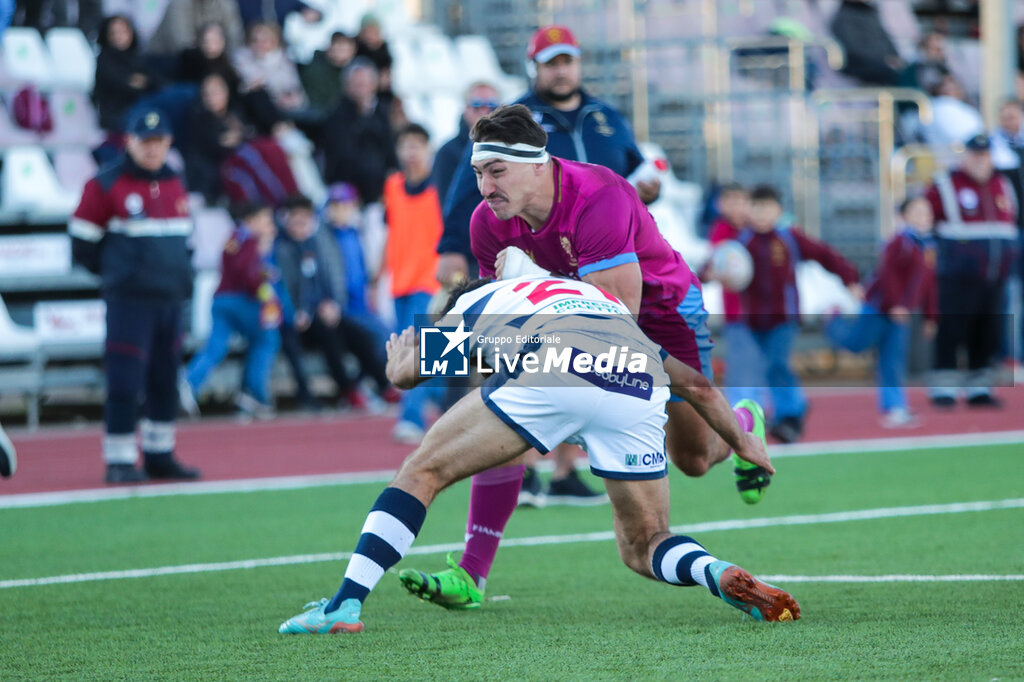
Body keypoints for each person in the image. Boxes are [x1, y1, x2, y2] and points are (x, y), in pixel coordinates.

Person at [398, 105, 771, 609]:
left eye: (496, 172)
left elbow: (618, 325)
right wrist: (426, 360)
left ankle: (743, 424)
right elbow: (496, 321)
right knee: (498, 394)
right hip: (577, 322)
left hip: (658, 313)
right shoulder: (488, 223)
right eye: (478, 173)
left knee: (696, 459)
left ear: (536, 163)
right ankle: (472, 572)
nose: (484, 188)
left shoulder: (600, 196)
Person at [278, 275, 800, 634]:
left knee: (421, 471)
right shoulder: (586, 296)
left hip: (553, 365)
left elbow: (408, 374)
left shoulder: (472, 304)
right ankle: (717, 572)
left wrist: (398, 360)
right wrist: (744, 442)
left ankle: (343, 603)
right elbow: (698, 387)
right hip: (634, 374)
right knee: (645, 543)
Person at [438, 26, 660, 505]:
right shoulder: (516, 119)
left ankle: (561, 471)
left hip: (611, 251)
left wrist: (647, 188)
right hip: (540, 254)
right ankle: (515, 463)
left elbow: (639, 167)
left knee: (591, 363)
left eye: (568, 60)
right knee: (531, 351)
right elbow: (469, 181)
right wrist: (450, 244)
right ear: (534, 67)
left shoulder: (605, 116)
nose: (561, 70)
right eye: (551, 61)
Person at [69, 109, 201, 484]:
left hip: (170, 300)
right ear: (129, 141)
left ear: (168, 144)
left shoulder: (175, 180)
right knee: (125, 381)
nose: (152, 149)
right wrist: (121, 275)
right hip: (130, 302)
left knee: (163, 380)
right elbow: (82, 244)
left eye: (159, 142)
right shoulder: (106, 184)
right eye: (145, 142)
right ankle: (120, 458)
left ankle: (160, 454)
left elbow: (184, 240)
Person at [726, 185, 862, 444]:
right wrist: (709, 272)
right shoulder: (743, 241)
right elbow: (719, 264)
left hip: (784, 319)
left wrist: (850, 279)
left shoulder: (790, 238)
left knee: (778, 366)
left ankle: (790, 416)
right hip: (751, 320)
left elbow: (825, 255)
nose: (762, 214)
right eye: (757, 207)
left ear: (779, 211)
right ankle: (787, 408)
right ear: (749, 210)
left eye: (768, 208)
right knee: (757, 369)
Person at [826, 197, 938, 428]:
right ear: (904, 216)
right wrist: (895, 304)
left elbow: (929, 284)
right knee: (856, 344)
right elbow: (887, 275)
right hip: (879, 308)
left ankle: (895, 407)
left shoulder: (928, 246)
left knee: (893, 359)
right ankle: (832, 319)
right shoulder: (899, 242)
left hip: (901, 315)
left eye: (926, 212)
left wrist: (930, 315)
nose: (923, 217)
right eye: (916, 212)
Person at [925, 134, 1018, 407]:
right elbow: (924, 223)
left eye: (985, 155)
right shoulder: (945, 185)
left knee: (987, 331)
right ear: (965, 156)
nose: (981, 161)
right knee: (953, 329)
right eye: (976, 155)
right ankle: (944, 388)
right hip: (957, 276)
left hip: (995, 275)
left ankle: (980, 388)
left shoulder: (1003, 184)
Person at [275, 194, 375, 409]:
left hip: (436, 283)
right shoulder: (283, 247)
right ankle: (421, 405)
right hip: (433, 284)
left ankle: (415, 399)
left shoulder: (322, 241)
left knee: (370, 334)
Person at [186, 202, 285, 417]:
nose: (270, 226)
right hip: (242, 300)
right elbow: (250, 275)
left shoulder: (233, 237)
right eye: (266, 220)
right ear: (252, 220)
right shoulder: (251, 241)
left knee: (216, 346)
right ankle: (255, 394)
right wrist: (264, 287)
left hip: (221, 300)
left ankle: (188, 383)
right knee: (267, 339)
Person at [383, 124, 445, 443]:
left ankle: (411, 418)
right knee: (437, 357)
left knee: (418, 351)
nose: (411, 152)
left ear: (428, 150)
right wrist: (378, 276)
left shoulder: (441, 186)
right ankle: (447, 409)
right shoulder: (392, 186)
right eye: (405, 145)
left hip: (432, 281)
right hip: (400, 282)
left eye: (417, 145)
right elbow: (391, 233)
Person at [433, 81, 500, 287]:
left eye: (491, 106)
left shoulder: (508, 150)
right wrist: (454, 248)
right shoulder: (448, 152)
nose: (484, 111)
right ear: (465, 109)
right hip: (469, 253)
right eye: (477, 105)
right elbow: (449, 205)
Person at [323, 58, 396, 204]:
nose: (361, 89)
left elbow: (390, 149)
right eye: (356, 84)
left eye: (365, 84)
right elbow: (342, 155)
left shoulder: (384, 112)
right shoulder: (337, 115)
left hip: (380, 190)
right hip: (347, 191)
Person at [93, 15, 165, 133]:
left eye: (123, 31)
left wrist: (142, 82)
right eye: (113, 33)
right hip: (117, 116)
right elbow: (122, 84)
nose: (118, 36)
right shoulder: (104, 59)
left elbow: (156, 82)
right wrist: (140, 82)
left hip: (141, 110)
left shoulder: (138, 57)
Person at [701, 183, 750, 325]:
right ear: (721, 204)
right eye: (731, 202)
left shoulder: (756, 229)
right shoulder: (720, 229)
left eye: (740, 202)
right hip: (734, 309)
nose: (736, 207)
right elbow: (714, 260)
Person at [830, 0, 903, 86]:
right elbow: (854, 50)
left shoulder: (870, 12)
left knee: (912, 70)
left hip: (883, 63)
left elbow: (884, 38)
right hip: (861, 67)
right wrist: (885, 61)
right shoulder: (844, 16)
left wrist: (895, 56)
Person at [146, 0, 244, 57]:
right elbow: (180, 44)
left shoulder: (226, 4)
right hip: (164, 57)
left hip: (208, 59)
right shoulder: (179, 4)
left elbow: (235, 38)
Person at [300, 31, 358, 115]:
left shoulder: (355, 71)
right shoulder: (316, 69)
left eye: (344, 48)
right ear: (330, 48)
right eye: (338, 46)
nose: (340, 51)